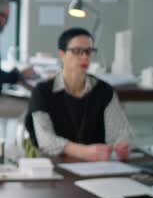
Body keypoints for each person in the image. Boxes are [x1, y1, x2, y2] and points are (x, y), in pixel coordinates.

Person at [25, 28, 133, 161]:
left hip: (97, 166)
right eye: (77, 51)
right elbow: (45, 140)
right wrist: (83, 151)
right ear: (62, 54)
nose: (85, 57)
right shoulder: (43, 91)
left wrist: (121, 147)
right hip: (56, 163)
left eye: (89, 51)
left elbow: (120, 133)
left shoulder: (104, 90)